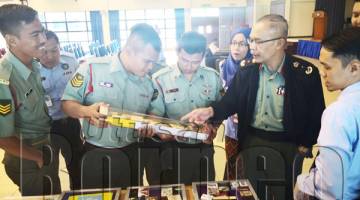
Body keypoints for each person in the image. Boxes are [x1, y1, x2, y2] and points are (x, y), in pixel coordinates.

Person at [182, 14, 325, 199]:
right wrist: (211, 111)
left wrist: (305, 143)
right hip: (251, 140)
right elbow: (230, 101)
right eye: (251, 40)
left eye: (258, 41)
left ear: (280, 43)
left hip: (287, 145)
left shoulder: (304, 74)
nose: (252, 47)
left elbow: (317, 113)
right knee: (250, 191)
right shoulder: (247, 71)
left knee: (281, 193)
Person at [61, 23, 161, 189]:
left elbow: (152, 114)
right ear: (129, 50)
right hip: (96, 153)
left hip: (131, 152)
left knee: (131, 195)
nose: (151, 67)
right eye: (147, 61)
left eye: (153, 62)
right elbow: (67, 104)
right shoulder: (91, 69)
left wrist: (150, 125)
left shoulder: (148, 84)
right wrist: (86, 111)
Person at [0, 4, 61, 195]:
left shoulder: (33, 64)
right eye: (35, 35)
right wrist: (38, 157)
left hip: (45, 146)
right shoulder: (4, 80)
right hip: (27, 158)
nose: (43, 39)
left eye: (42, 32)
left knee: (53, 193)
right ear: (12, 40)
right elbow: (3, 138)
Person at [294, 27, 360, 200]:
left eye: (327, 67)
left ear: (354, 68)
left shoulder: (340, 112)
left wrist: (303, 183)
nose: (322, 72)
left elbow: (330, 185)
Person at [149, 31, 222, 185]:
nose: (189, 66)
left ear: (202, 56)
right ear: (177, 53)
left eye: (195, 62)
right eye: (184, 60)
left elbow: (220, 109)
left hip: (203, 149)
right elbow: (155, 115)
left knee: (205, 192)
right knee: (173, 192)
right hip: (172, 149)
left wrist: (213, 127)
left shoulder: (213, 77)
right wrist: (163, 131)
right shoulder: (161, 79)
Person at [39, 30, 83, 190]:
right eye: (44, 52)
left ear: (60, 47)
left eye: (54, 50)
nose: (50, 56)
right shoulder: (30, 68)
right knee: (48, 168)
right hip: (46, 126)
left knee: (77, 163)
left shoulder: (70, 62)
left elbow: (81, 88)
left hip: (69, 122)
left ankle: (78, 193)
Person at [219, 27, 252, 181]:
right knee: (231, 162)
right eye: (233, 43)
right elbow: (222, 94)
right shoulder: (223, 66)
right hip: (231, 128)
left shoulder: (255, 68)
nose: (236, 48)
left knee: (247, 165)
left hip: (250, 129)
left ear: (250, 46)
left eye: (241, 44)